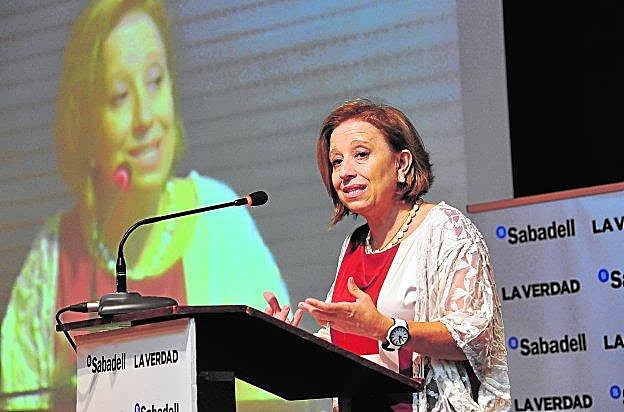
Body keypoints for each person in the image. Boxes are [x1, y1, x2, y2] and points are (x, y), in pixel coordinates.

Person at [0, 1, 289, 410]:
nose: (145, 117)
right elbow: (17, 397)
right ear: (84, 122)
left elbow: (275, 393)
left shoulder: (218, 219)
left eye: (155, 81)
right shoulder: (54, 253)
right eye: (119, 96)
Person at [265, 98, 510, 411]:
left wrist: (385, 328)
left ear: (402, 163)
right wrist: (287, 342)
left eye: (361, 155)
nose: (344, 172)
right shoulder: (355, 244)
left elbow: (475, 337)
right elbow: (349, 343)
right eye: (336, 161)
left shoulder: (445, 228)